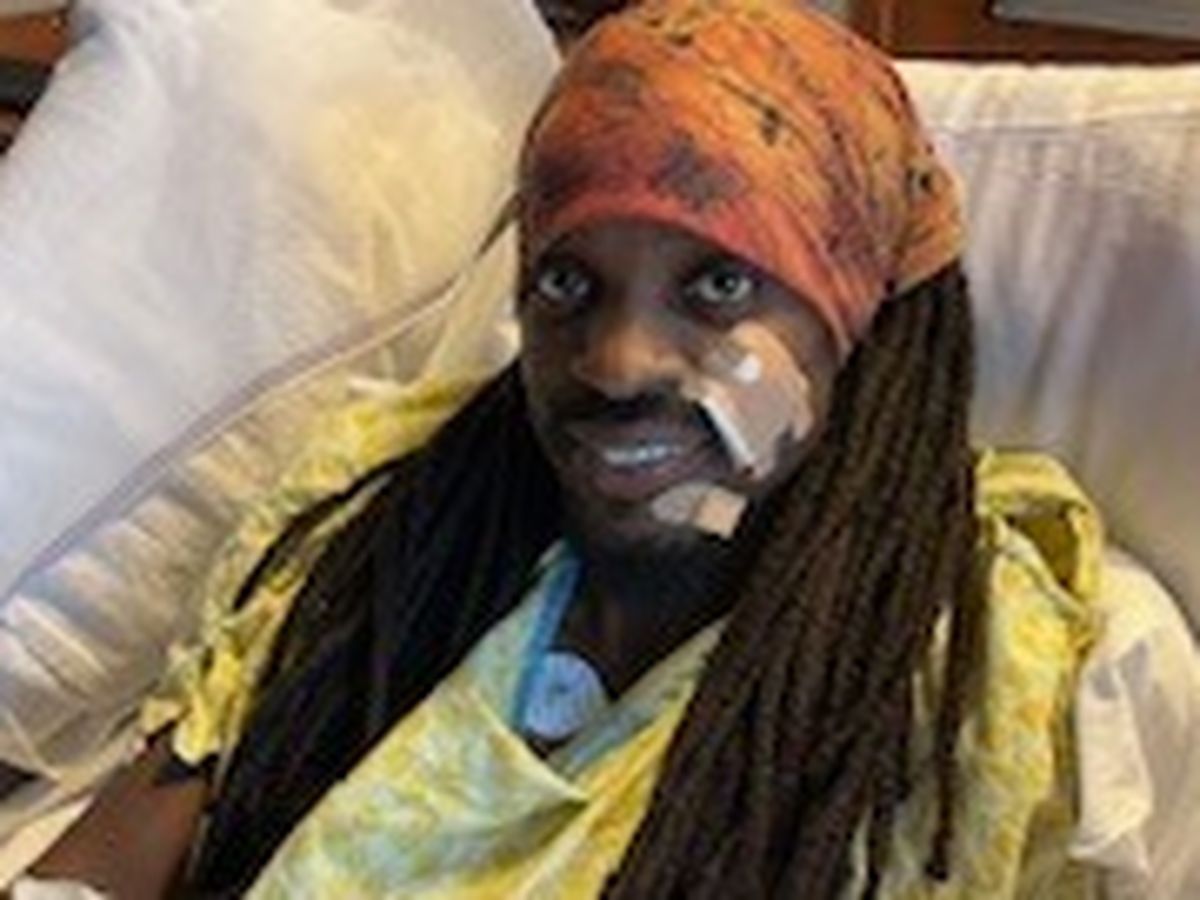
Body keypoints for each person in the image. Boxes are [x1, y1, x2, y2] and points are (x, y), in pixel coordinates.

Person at [30, 1, 1105, 896]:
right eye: (566, 282)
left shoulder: (968, 655)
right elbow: (103, 866)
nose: (619, 362)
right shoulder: (383, 522)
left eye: (718, 284)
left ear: (854, 312)